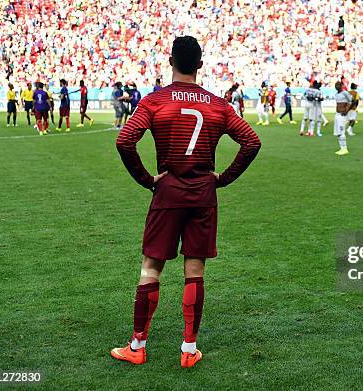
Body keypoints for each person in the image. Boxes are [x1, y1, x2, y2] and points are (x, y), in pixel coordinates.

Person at [112, 35, 261, 369]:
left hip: (167, 192)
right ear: (201, 64)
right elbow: (251, 141)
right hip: (203, 195)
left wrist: (147, 179)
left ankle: (137, 346)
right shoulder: (218, 105)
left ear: (170, 61)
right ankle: (189, 349)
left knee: (151, 268)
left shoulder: (154, 101)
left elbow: (125, 141)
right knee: (195, 269)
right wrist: (222, 178)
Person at [333, 81, 352, 155]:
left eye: (338, 85)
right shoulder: (337, 94)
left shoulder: (345, 93)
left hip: (342, 115)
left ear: (341, 85)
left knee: (341, 131)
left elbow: (350, 101)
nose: (336, 86)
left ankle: (345, 149)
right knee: (338, 132)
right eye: (335, 85)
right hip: (337, 114)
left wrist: (346, 110)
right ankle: (341, 148)